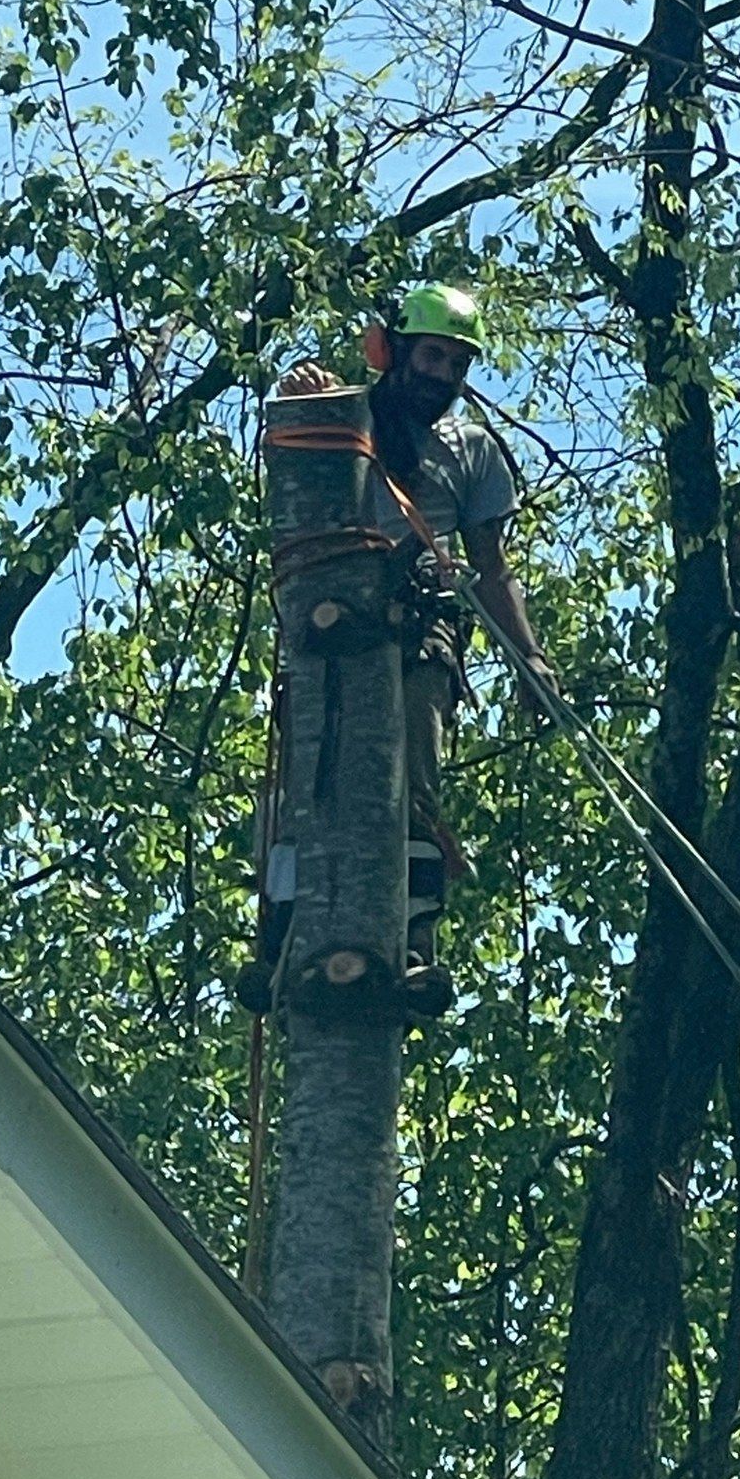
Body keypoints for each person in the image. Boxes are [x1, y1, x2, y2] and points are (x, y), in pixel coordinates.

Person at [243, 282, 557, 1012]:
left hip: (421, 625)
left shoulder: (472, 451)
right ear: (392, 351)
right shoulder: (345, 419)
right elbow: (296, 445)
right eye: (432, 356)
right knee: (306, 781)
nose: (442, 376)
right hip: (328, 630)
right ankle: (281, 934)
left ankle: (412, 945)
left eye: (456, 364)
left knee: (410, 781)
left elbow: (492, 568)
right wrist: (303, 394)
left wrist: (530, 658)